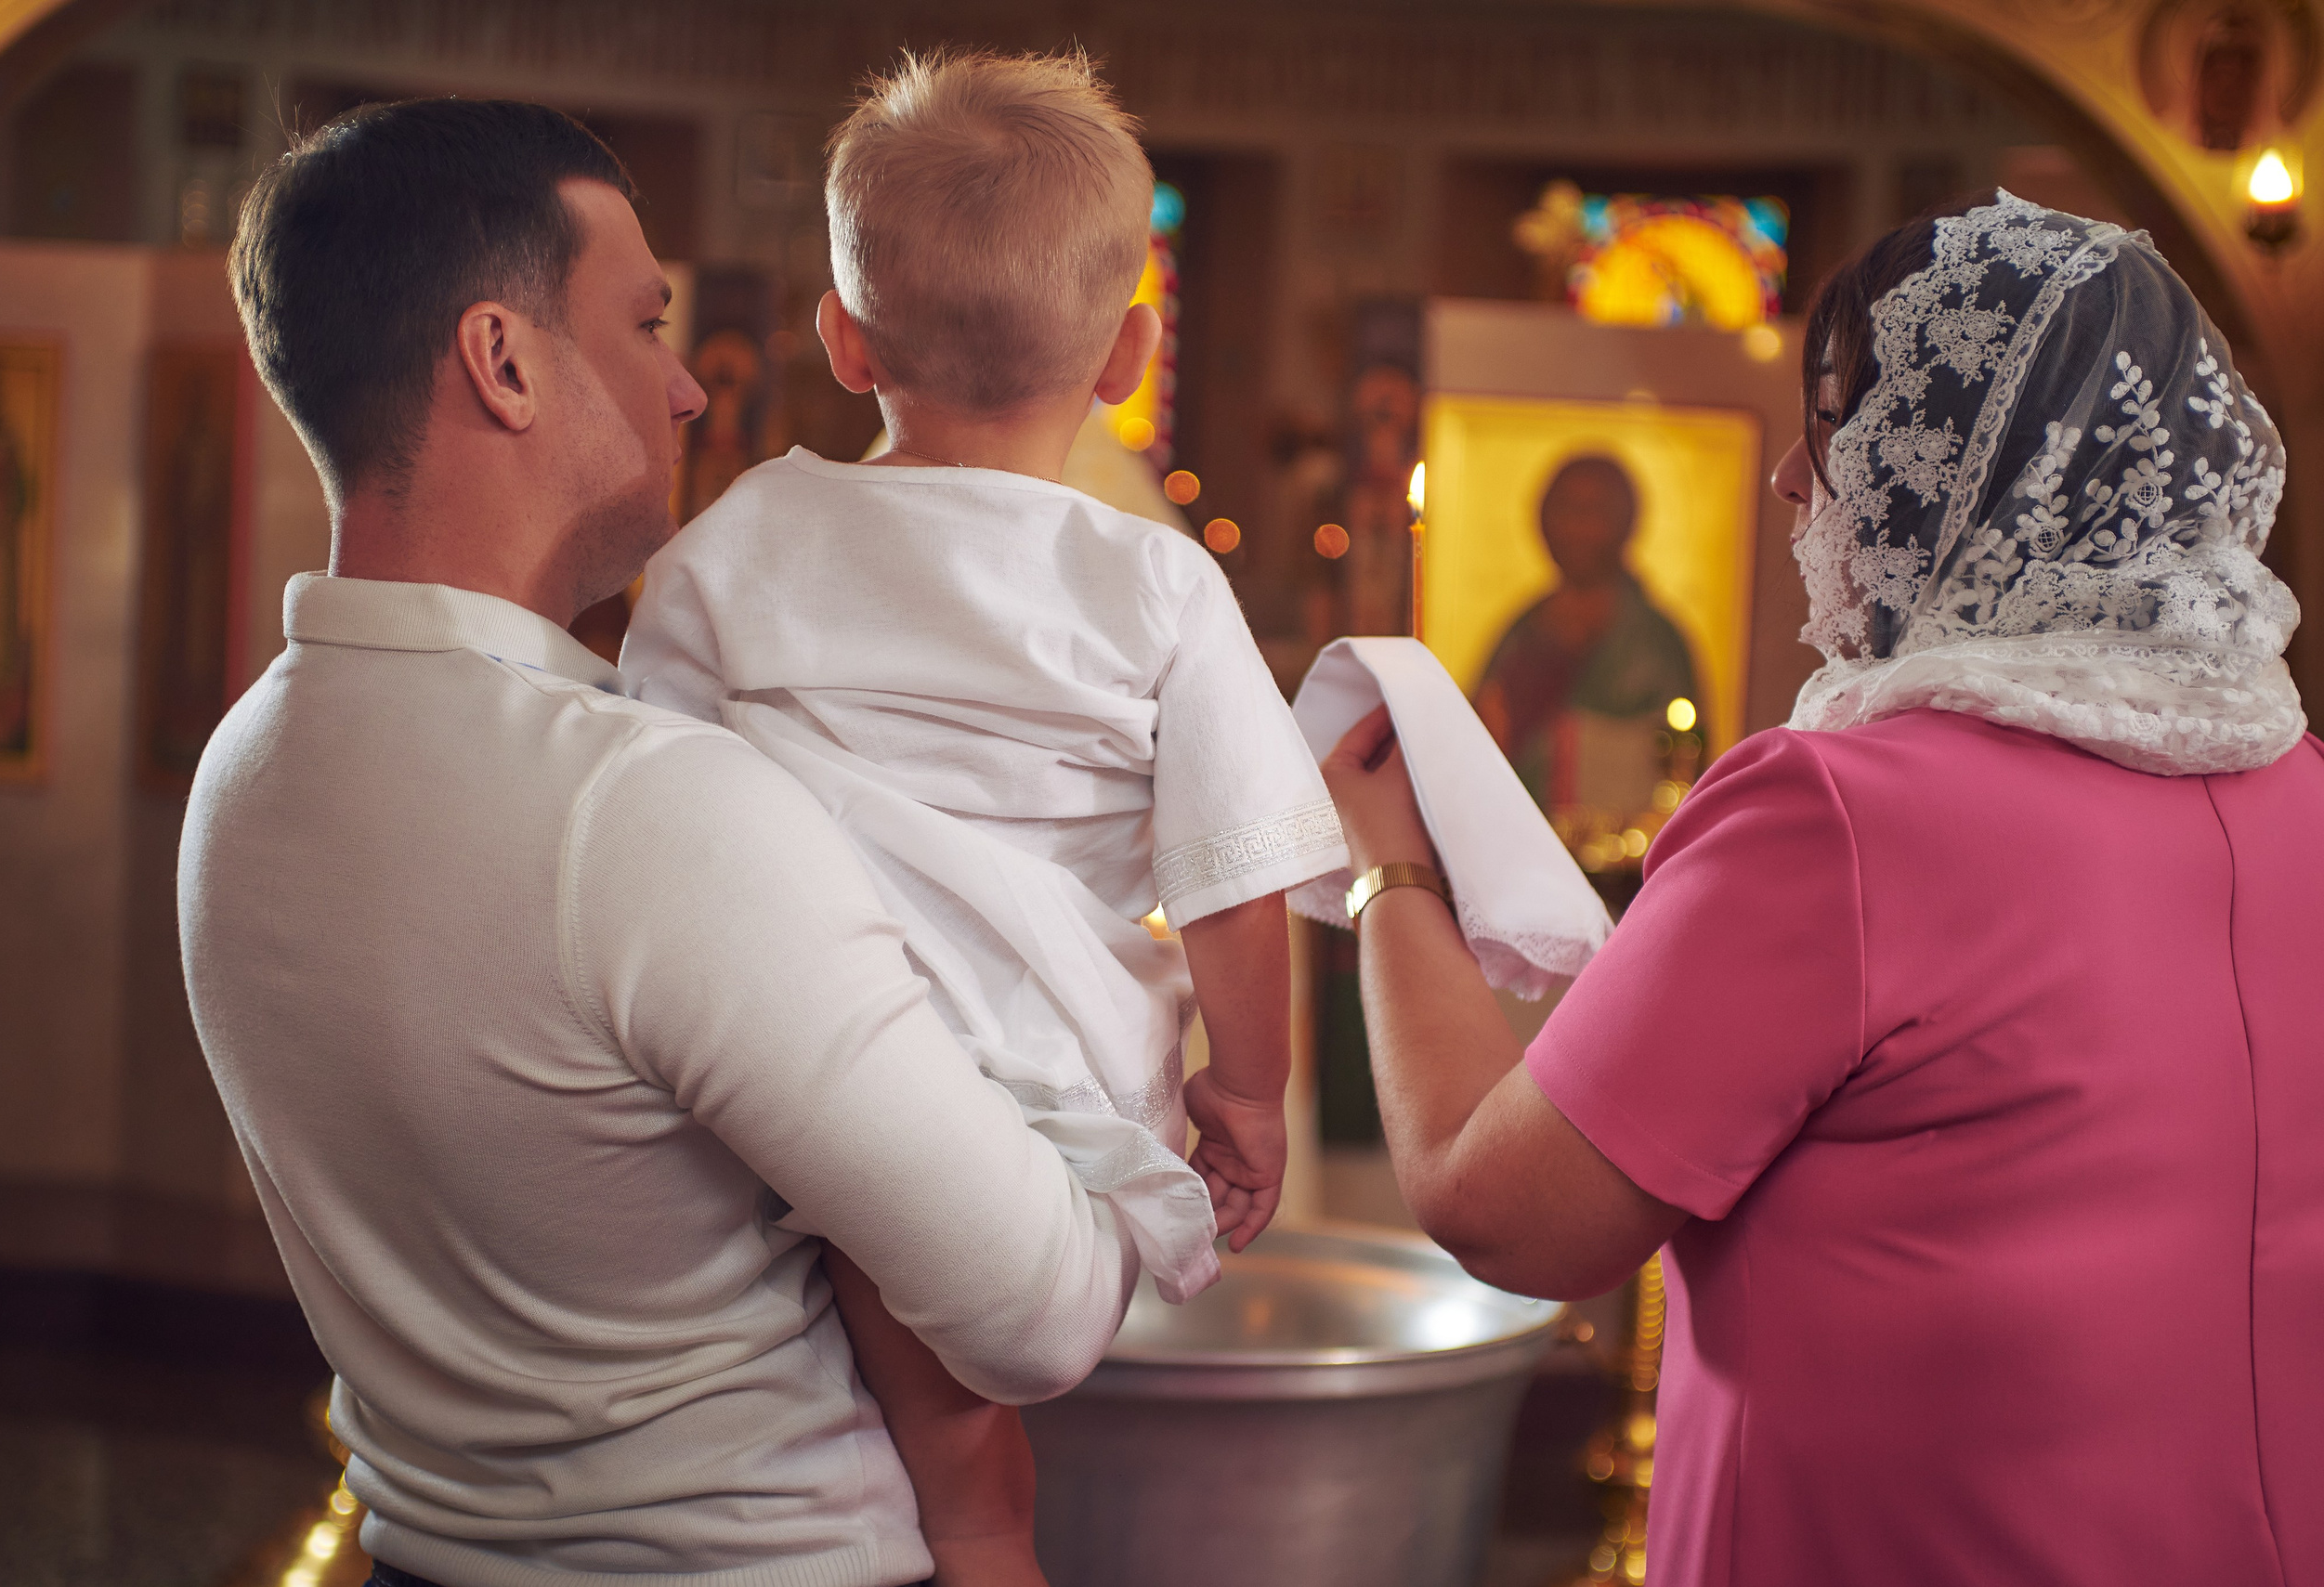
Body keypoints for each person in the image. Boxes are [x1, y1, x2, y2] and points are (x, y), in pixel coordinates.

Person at [181, 98, 1142, 1587]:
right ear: (502, 363)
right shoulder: (641, 809)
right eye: (643, 325)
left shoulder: (242, 770)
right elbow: (1043, 1307)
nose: (687, 390)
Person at [1319, 192, 2321, 1586]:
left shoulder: (1841, 816)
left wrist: (1389, 862)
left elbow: (1510, 1210)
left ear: (1971, 465)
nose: (1794, 475)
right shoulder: (2305, 796)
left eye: (1844, 422)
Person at [622, 52, 1344, 1578]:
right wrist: (1255, 1093)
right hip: (1037, 1069)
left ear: (841, 336)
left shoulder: (734, 541)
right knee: (970, 1467)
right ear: (1131, 351)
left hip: (776, 1043)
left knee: (877, 1405)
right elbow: (1233, 870)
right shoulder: (1154, 584)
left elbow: (648, 802)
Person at [1473, 454, 1700, 812]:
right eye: (1564, 509)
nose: (1575, 527)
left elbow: (1682, 759)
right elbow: (1480, 736)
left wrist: (1574, 744)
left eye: (1593, 511)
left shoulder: (1655, 640)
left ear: (1625, 522)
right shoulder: (1523, 630)